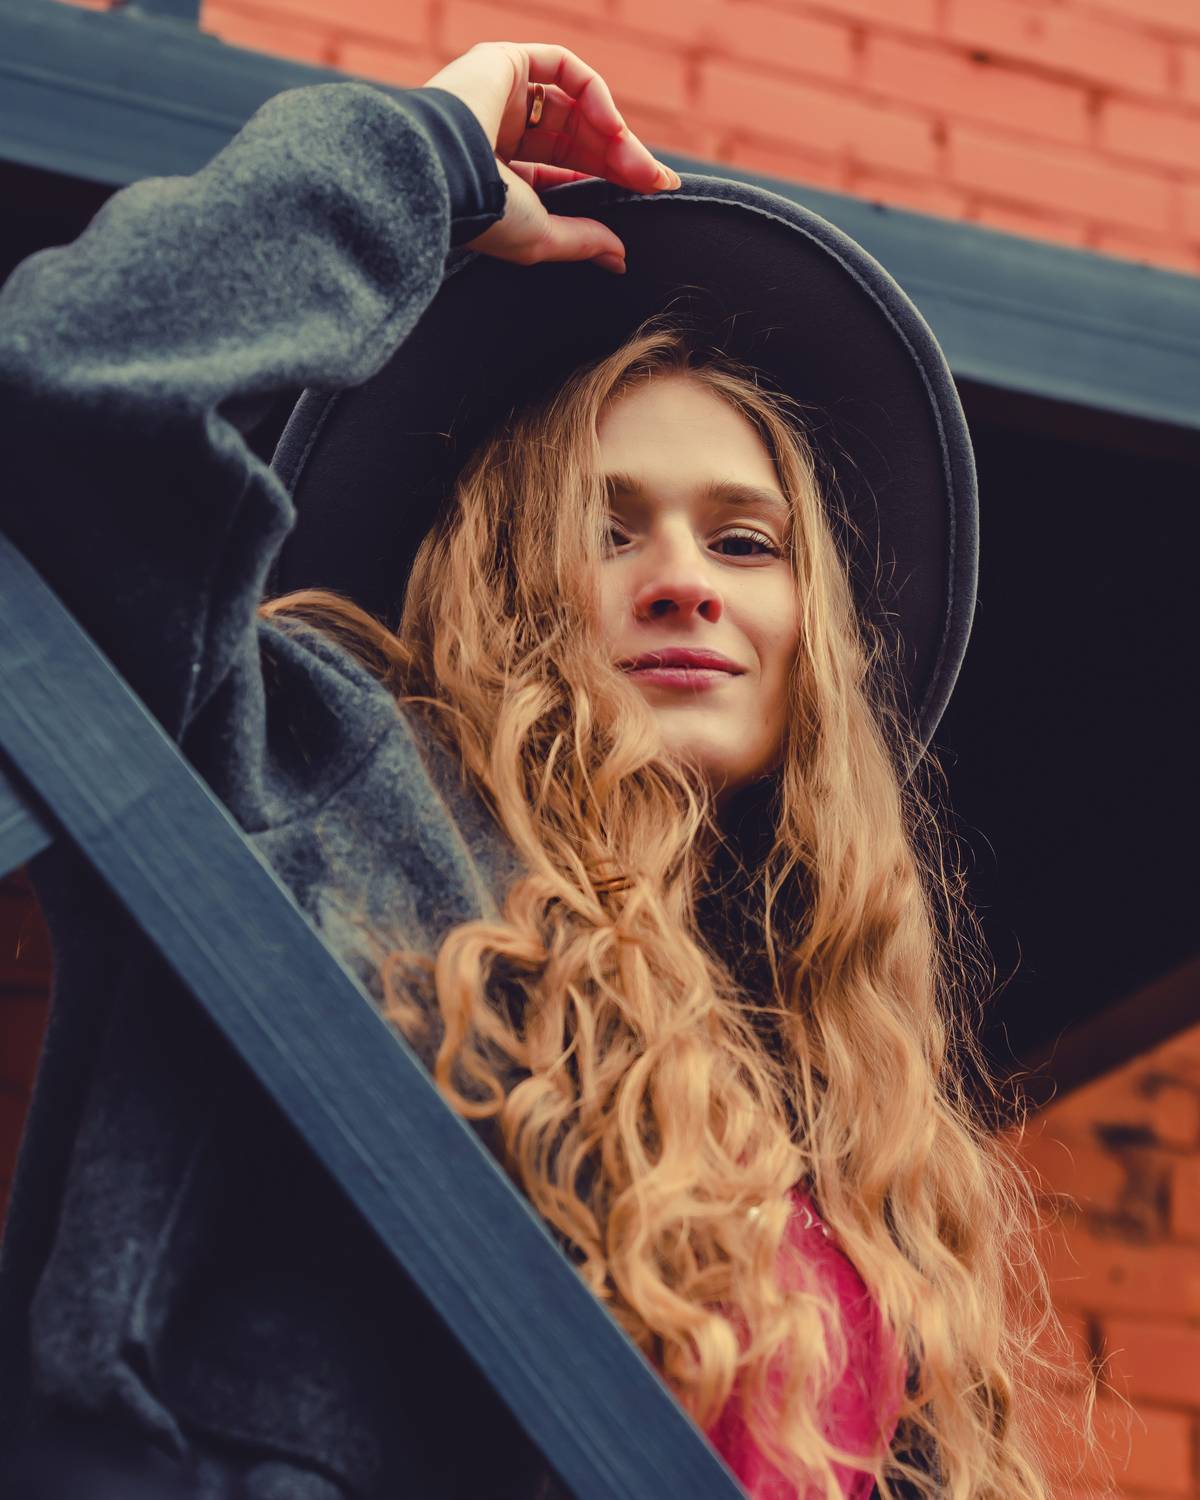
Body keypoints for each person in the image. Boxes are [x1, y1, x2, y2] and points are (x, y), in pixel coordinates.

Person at [0, 37, 1096, 1500]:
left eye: (745, 541)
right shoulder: (336, 779)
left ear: (810, 640)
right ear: (503, 583)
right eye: (607, 526)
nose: (684, 579)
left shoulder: (844, 1103)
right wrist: (430, 148)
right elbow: (72, 396)